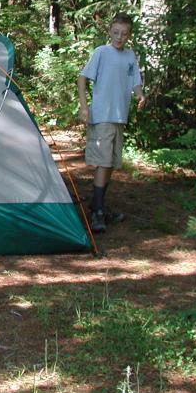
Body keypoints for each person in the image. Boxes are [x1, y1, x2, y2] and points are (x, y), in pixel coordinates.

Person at [77, 13, 146, 234]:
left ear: (129, 35)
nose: (119, 37)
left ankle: (98, 205)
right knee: (104, 162)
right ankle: (97, 212)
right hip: (102, 115)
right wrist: (84, 107)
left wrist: (140, 96)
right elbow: (82, 78)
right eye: (116, 32)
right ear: (110, 31)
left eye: (124, 34)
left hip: (119, 116)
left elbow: (135, 81)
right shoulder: (101, 52)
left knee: (111, 164)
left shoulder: (129, 56)